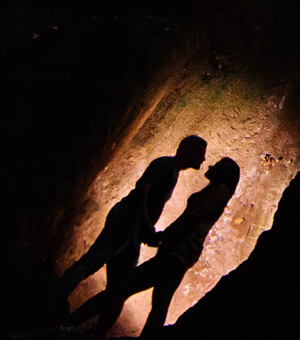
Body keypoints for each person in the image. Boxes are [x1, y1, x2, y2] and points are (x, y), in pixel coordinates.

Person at [67, 157, 240, 336]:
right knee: (158, 304)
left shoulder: (221, 190)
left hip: (176, 254)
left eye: (217, 166)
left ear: (224, 173)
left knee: (121, 289)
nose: (210, 165)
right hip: (179, 256)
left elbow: (193, 216)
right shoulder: (217, 190)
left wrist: (164, 235)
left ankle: (70, 324)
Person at [57, 135, 208, 320]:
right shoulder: (165, 165)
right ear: (188, 150)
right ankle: (56, 301)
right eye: (200, 153)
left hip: (132, 225)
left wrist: (144, 228)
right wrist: (145, 224)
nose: (203, 159)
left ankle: (90, 329)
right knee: (94, 263)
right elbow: (142, 189)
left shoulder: (172, 170)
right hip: (128, 220)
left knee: (118, 284)